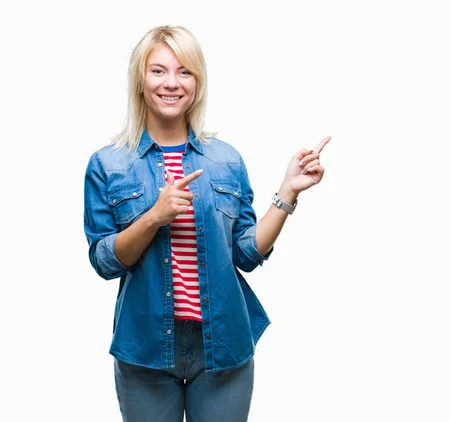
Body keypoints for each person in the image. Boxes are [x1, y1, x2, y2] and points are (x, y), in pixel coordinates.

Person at [83, 25, 330, 422]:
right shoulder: (108, 164)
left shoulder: (226, 160)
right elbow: (105, 261)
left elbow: (247, 254)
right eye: (158, 71)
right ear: (140, 81)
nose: (172, 83)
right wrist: (154, 217)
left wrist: (287, 192)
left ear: (197, 83)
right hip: (145, 346)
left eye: (185, 71)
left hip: (223, 342)